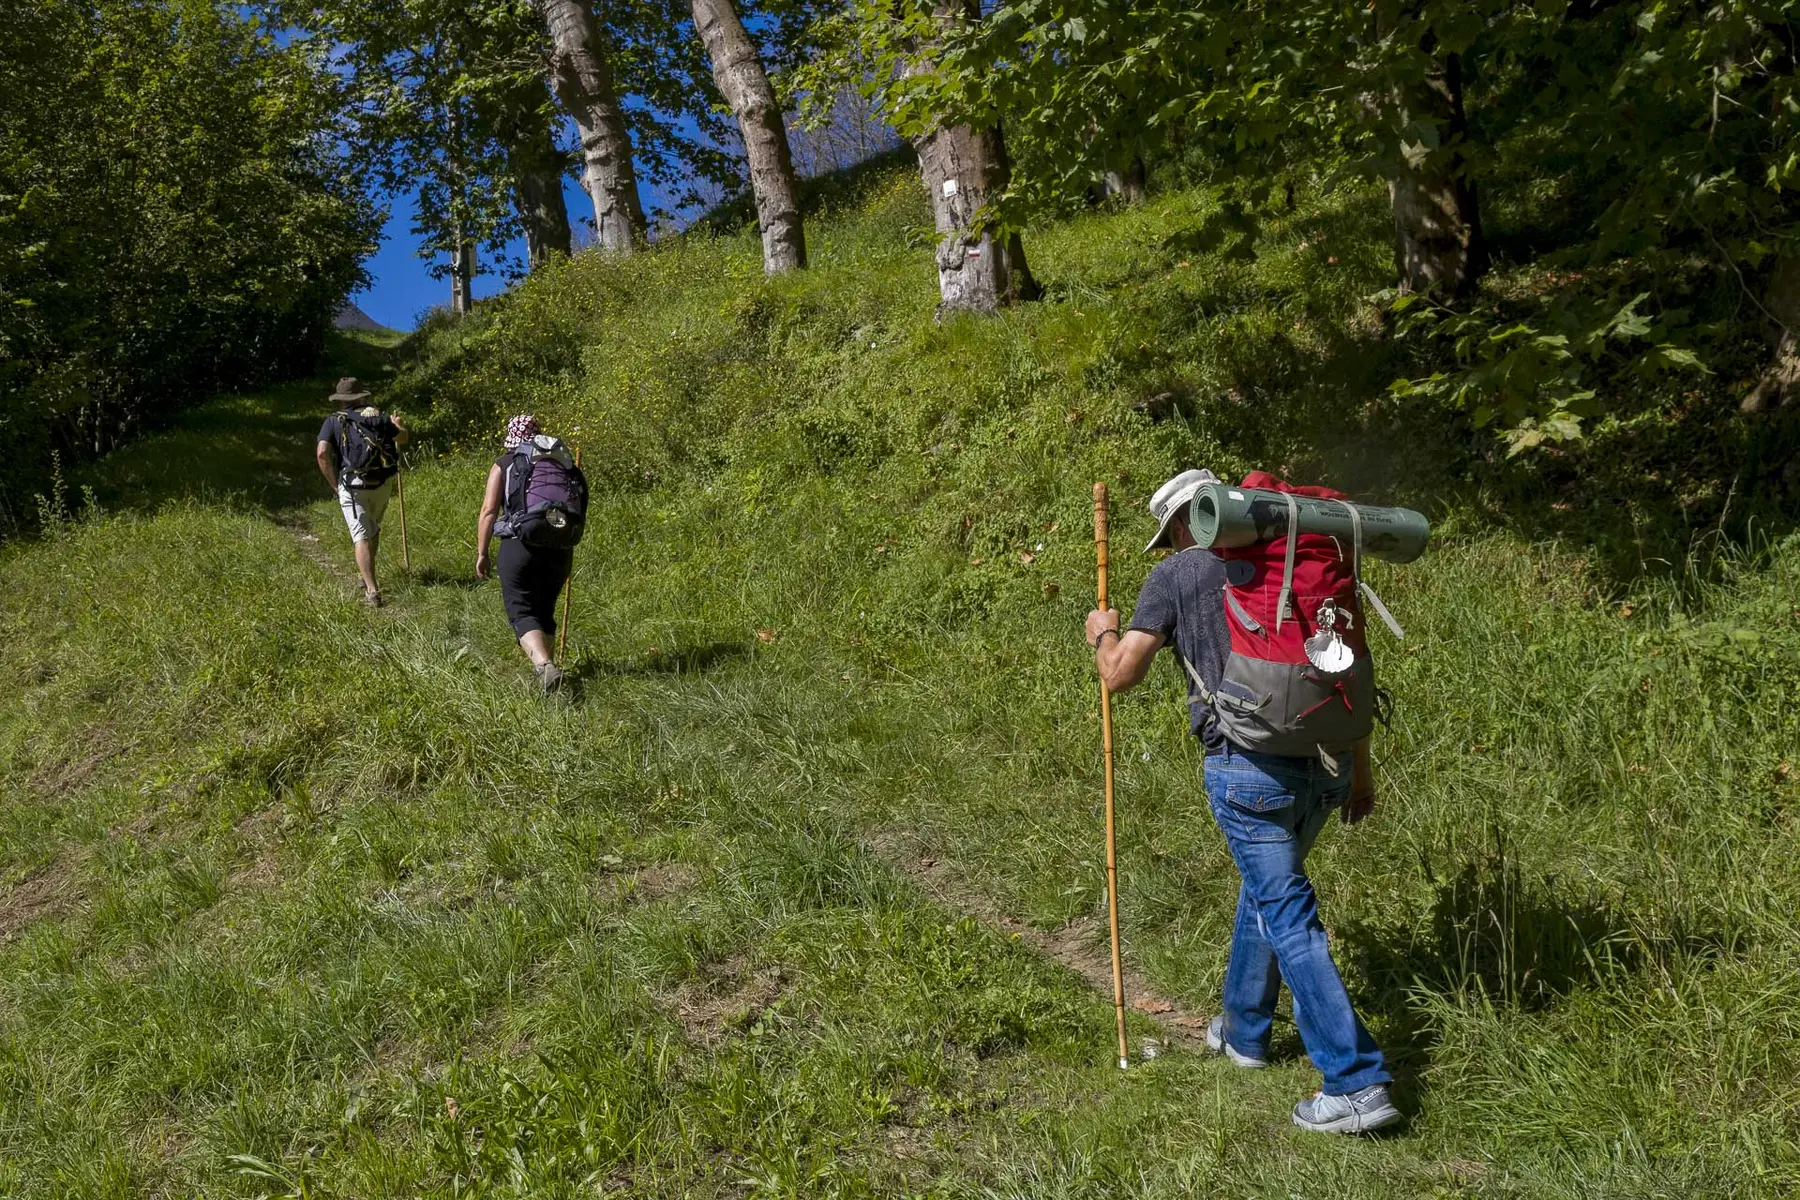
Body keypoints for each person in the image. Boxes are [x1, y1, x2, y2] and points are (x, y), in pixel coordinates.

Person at [1084, 468, 1400, 1135]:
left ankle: (1355, 1082)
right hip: (1330, 762)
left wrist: (1101, 634)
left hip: (1247, 768)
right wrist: (1362, 773)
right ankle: (1246, 1034)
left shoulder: (1175, 575)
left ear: (1180, 524)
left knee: (1287, 912)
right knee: (1267, 894)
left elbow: (1120, 676)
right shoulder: (1296, 553)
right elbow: (1346, 669)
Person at [475, 414, 573, 694]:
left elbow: (489, 511)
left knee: (521, 609)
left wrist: (483, 552)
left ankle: (544, 666)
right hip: (560, 545)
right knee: (545, 609)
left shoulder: (505, 463)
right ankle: (550, 676)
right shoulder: (560, 461)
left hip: (520, 545)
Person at [315, 377, 407, 606]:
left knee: (361, 536)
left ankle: (372, 591)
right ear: (362, 396)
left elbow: (322, 454)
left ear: (340, 400)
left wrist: (335, 485)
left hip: (353, 485)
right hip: (382, 483)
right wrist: (398, 425)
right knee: (372, 529)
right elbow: (403, 437)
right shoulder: (379, 417)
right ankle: (365, 576)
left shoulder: (333, 421)